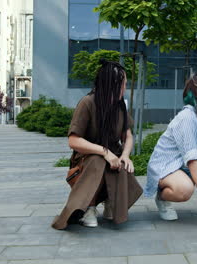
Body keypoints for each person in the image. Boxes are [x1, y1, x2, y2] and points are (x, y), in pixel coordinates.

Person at [52, 60, 143, 229]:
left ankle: (111, 202)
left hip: (112, 156)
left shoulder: (120, 106)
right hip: (86, 160)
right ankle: (89, 208)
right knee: (97, 160)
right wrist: (104, 151)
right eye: (122, 84)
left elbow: (128, 135)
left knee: (118, 161)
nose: (125, 87)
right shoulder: (87, 103)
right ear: (111, 84)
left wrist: (125, 156)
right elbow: (73, 140)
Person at [145, 73, 197, 221]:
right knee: (184, 190)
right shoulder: (187, 117)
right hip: (166, 167)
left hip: (183, 166)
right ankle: (162, 198)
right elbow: (192, 159)